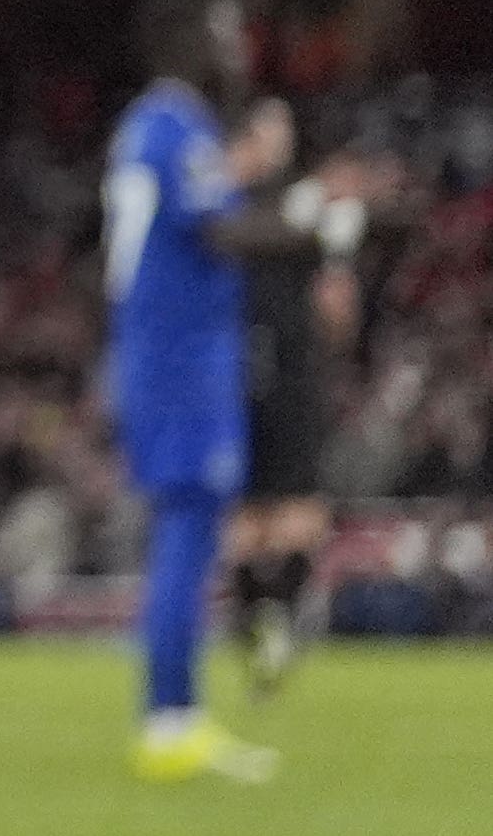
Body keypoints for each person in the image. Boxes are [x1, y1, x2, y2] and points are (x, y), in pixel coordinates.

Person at [105, 0, 278, 785]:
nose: (237, 47)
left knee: (190, 531)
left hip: (168, 353)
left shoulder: (153, 126)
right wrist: (318, 222)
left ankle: (173, 713)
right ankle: (169, 719)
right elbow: (219, 229)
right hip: (178, 358)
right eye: (222, 33)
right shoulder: (178, 126)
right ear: (183, 44)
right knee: (186, 532)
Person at [217, 103, 374, 705]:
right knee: (265, 512)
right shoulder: (266, 208)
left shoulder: (294, 210)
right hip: (259, 370)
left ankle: (263, 629)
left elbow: (337, 312)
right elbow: (337, 312)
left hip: (275, 369)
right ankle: (268, 629)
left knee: (278, 510)